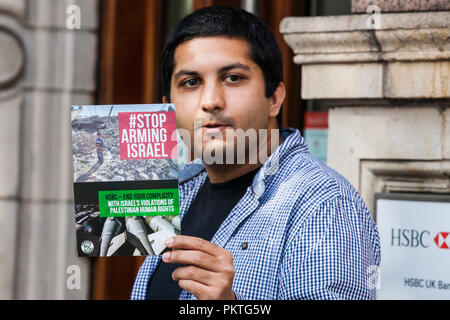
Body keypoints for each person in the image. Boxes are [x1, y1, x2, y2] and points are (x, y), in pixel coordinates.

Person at [131, 6, 380, 300]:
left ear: (274, 98)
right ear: (168, 107)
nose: (211, 101)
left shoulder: (324, 205)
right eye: (191, 82)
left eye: (233, 78)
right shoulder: (172, 189)